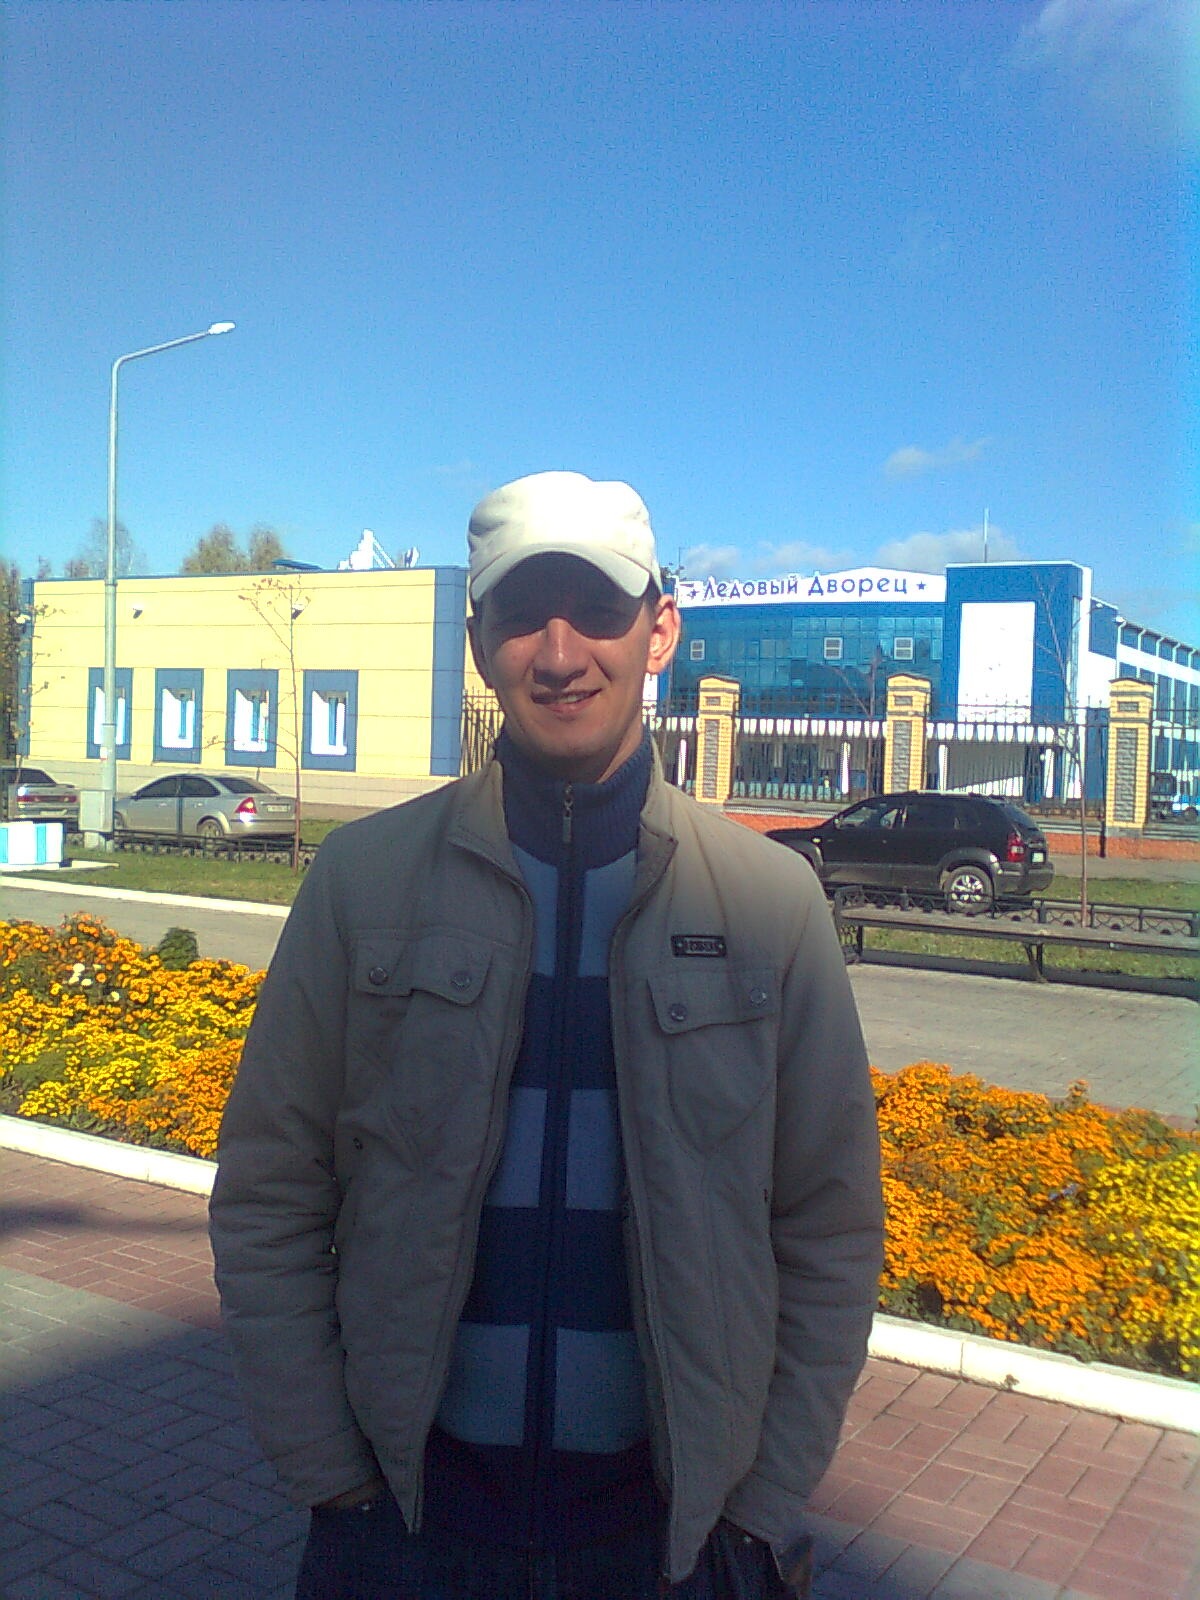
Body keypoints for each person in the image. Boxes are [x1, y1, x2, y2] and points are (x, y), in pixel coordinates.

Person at [209, 470, 884, 1600]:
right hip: (405, 1535)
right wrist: (330, 1472)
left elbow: (831, 1225)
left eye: (599, 609)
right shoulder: (363, 883)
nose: (561, 652)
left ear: (660, 629)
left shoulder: (771, 906)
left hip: (670, 1548)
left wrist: (759, 1505)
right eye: (523, 613)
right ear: (479, 641)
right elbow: (269, 1188)